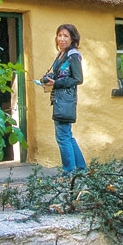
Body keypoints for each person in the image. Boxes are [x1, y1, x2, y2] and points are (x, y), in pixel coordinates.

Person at [42, 24, 87, 175]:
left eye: (66, 36)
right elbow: (61, 74)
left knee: (62, 136)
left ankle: (69, 171)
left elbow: (78, 79)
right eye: (59, 35)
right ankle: (80, 168)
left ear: (72, 38)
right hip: (59, 98)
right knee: (67, 134)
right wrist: (49, 79)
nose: (62, 39)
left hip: (66, 100)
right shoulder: (61, 54)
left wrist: (57, 83)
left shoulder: (73, 55)